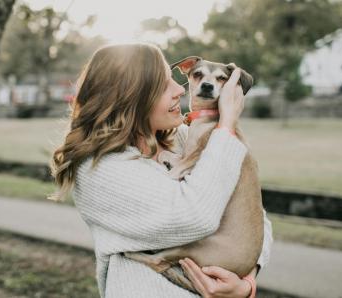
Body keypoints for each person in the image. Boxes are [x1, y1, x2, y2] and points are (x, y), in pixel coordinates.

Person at [50, 43, 273, 298]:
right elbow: (195, 216)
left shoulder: (183, 139)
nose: (180, 89)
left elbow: (254, 215)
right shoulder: (98, 169)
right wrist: (227, 124)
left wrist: (246, 284)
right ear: (131, 96)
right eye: (164, 84)